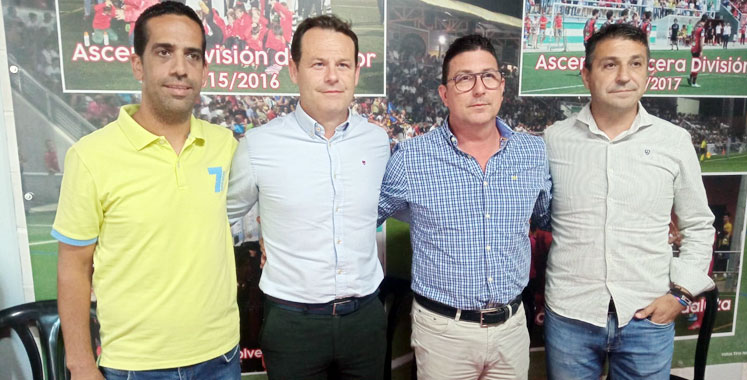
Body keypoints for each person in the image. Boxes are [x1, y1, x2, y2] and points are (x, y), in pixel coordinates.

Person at [54, 2, 240, 380]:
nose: (179, 68)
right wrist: (80, 364)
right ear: (138, 64)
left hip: (221, 358)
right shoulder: (90, 156)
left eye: (192, 55)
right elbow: (73, 267)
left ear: (204, 70)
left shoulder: (226, 145)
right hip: (135, 366)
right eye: (163, 52)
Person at [543, 24, 715, 380]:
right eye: (610, 65)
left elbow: (698, 225)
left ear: (648, 74)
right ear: (586, 75)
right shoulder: (553, 140)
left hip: (647, 318)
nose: (624, 76)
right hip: (570, 317)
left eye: (635, 64)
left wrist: (680, 295)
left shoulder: (675, 141)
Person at [378, 34, 552, 380]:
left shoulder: (532, 153)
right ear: (444, 93)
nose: (478, 89)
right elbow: (363, 218)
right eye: (464, 78)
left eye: (488, 76)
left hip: (512, 327)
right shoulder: (412, 158)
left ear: (502, 87)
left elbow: (548, 217)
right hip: (443, 331)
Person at [226, 15, 390, 380]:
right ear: (294, 69)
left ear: (356, 72)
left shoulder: (378, 142)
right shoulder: (259, 145)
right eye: (319, 63)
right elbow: (222, 218)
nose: (332, 76)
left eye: (342, 64)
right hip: (293, 325)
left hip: (365, 320)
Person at [689, 14, 708, 87]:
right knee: (697, 65)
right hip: (697, 48)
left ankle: (690, 77)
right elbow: (701, 41)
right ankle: (693, 82)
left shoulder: (696, 27)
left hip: (693, 48)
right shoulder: (702, 29)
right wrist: (701, 50)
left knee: (695, 64)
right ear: (705, 20)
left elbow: (693, 36)